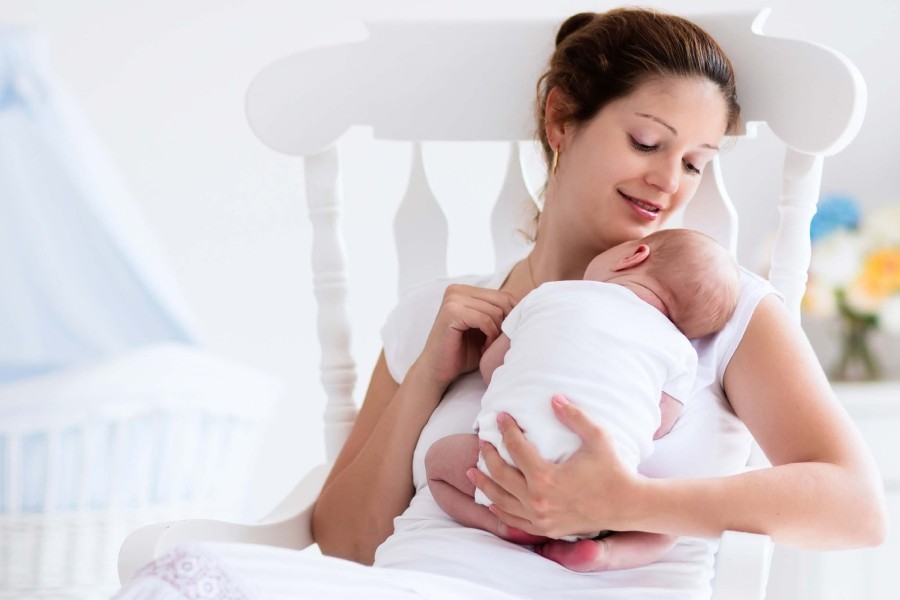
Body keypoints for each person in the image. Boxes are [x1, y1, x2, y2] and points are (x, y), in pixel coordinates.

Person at [115, 7, 887, 600]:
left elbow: (855, 507)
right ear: (561, 119)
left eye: (695, 162)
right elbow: (349, 546)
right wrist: (427, 376)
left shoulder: (711, 313)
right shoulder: (439, 316)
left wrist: (630, 499)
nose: (669, 182)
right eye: (647, 143)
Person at [424, 228, 741, 572]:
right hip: (605, 490)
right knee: (666, 530)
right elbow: (659, 425)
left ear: (633, 256)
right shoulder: (681, 352)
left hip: (503, 465)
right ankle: (603, 552)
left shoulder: (548, 295)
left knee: (437, 464)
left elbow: (491, 368)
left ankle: (502, 525)